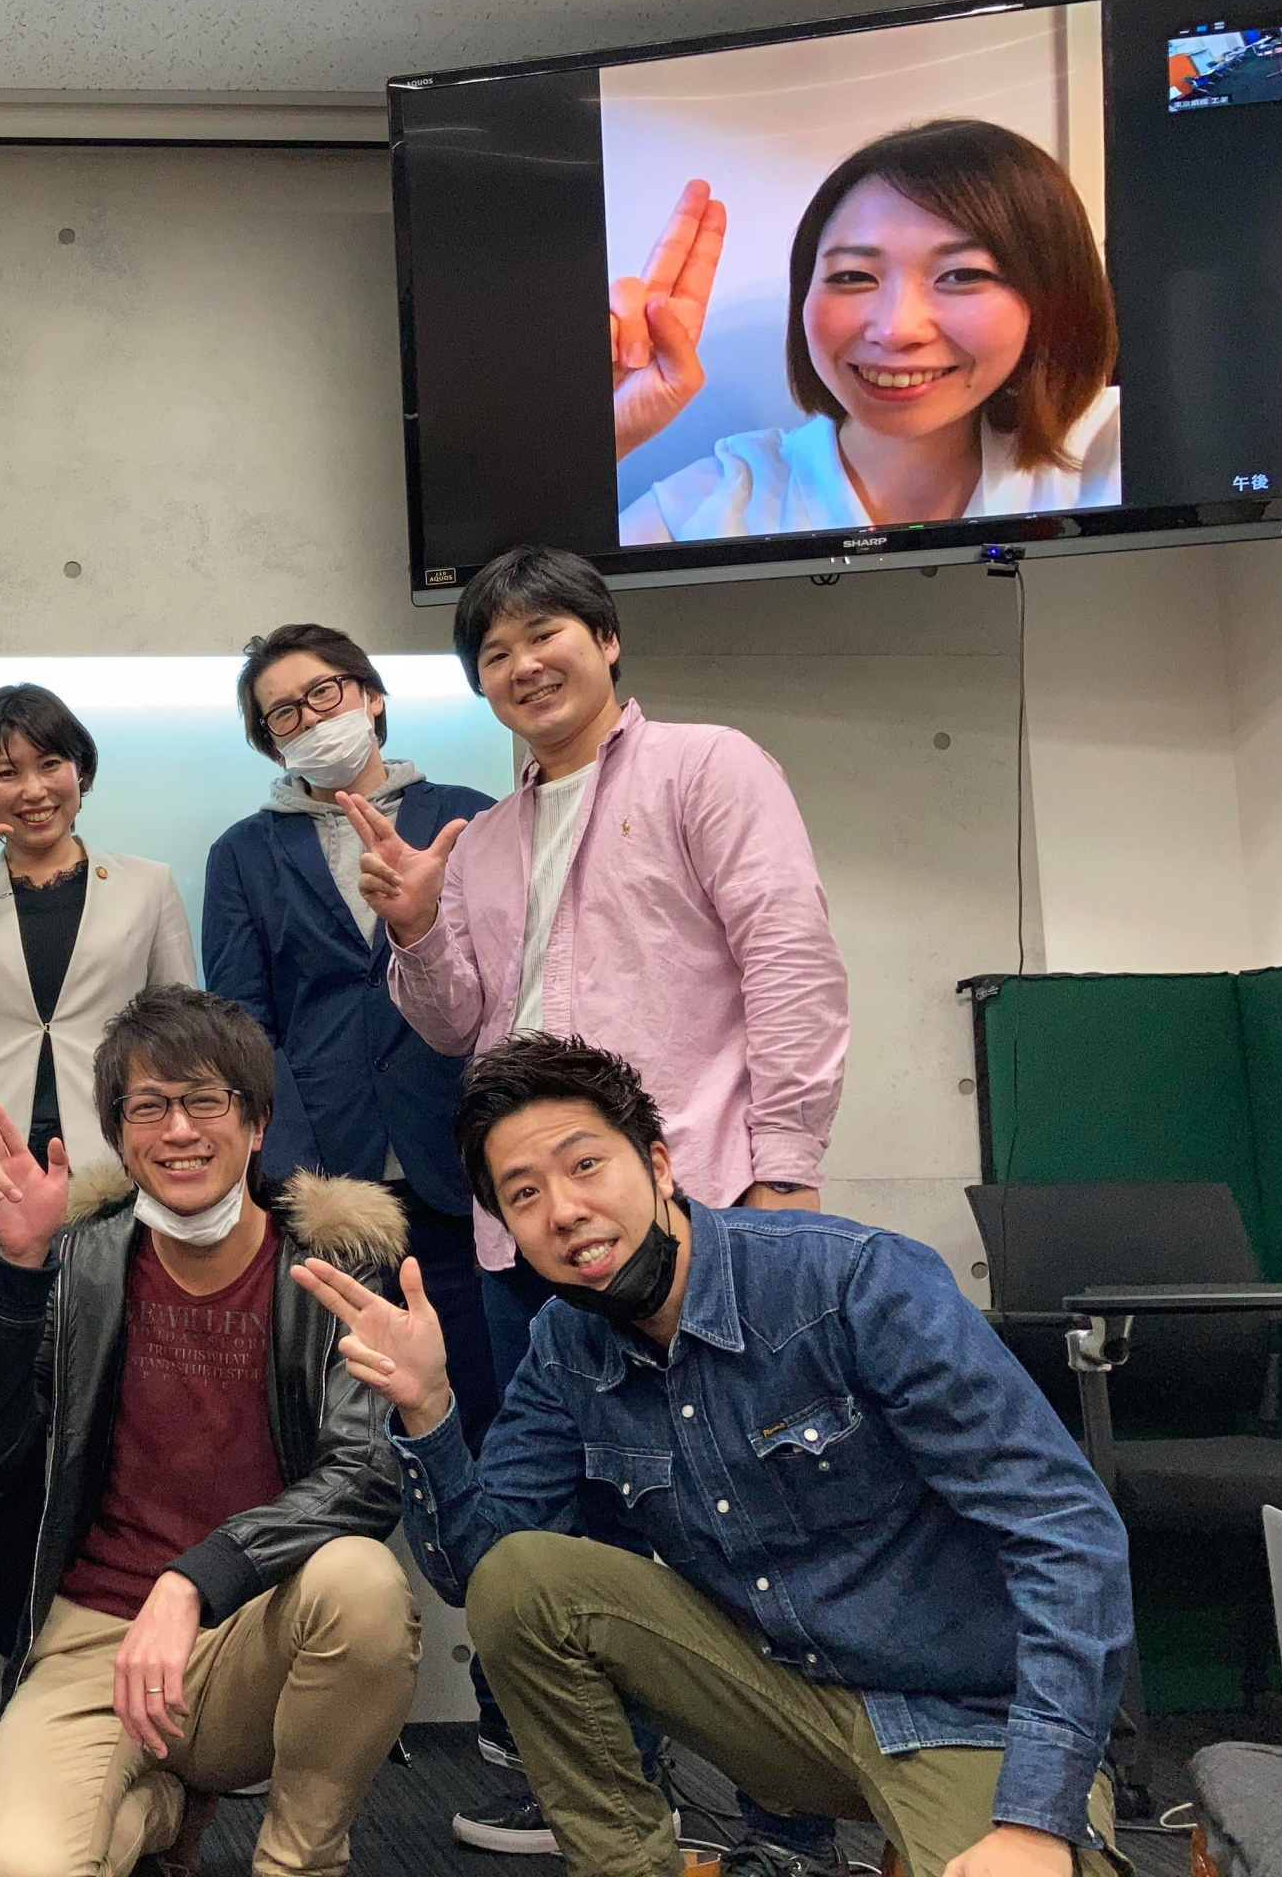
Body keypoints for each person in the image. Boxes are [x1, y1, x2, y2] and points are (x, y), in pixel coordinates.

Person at [293, 1034, 1135, 1877]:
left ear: (659, 1166)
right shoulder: (565, 1346)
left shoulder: (853, 1283)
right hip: (774, 1708)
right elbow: (484, 1576)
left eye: (585, 1166)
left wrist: (1035, 1819)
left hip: (963, 1718)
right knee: (526, 1580)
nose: (564, 1210)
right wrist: (429, 1406)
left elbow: (1065, 1530)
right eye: (524, 1194)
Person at [355, 540, 848, 1857]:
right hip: (526, 1235)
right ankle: (611, 1799)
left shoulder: (708, 767)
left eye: (545, 634)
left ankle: (788, 1821)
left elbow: (790, 956)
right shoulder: (484, 838)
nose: (523, 665)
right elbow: (455, 1021)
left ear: (607, 639)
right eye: (494, 652)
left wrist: (787, 1174)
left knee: (753, 1511)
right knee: (566, 1518)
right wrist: (414, 926)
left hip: (705, 1215)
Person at [0, 984, 423, 1877]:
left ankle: (298, 1863)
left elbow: (364, 1477)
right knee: (18, 1865)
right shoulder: (82, 1261)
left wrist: (195, 1580)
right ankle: (163, 1813)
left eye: (206, 1101)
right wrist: (18, 1268)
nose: (178, 1131)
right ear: (118, 1133)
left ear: (257, 1123)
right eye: (148, 1107)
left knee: (361, 1584)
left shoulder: (333, 1273)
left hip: (255, 1634)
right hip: (95, 1642)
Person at [0, 682, 196, 1659]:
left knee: (127, 1420)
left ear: (81, 770)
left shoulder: (145, 884)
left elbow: (184, 1026)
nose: (31, 789)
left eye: (49, 764)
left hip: (119, 1180)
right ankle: (17, 1660)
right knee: (4, 1427)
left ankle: (124, 1654)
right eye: (5, 772)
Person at [204, 624, 502, 1446]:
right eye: (283, 714)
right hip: (330, 1181)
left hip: (463, 1159)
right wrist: (297, 1175)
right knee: (342, 1428)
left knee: (483, 1404)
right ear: (271, 742)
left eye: (323, 694)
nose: (308, 718)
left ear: (371, 697)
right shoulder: (243, 855)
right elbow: (242, 1028)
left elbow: (508, 992)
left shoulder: (471, 819)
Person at [613, 119, 1120, 543]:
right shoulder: (707, 509)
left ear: (1051, 294)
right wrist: (604, 429)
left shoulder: (1116, 450)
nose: (896, 330)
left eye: (962, 275)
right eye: (853, 276)